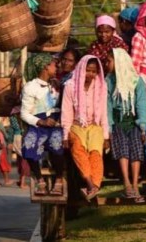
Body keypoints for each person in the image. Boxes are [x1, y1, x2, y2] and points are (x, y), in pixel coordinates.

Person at [61, 55, 109, 201]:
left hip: (95, 126)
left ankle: (94, 185)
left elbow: (103, 112)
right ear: (81, 69)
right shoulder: (70, 86)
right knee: (78, 148)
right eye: (88, 70)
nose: (91, 74)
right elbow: (67, 112)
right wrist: (65, 136)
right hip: (77, 125)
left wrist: (106, 136)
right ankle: (90, 184)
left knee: (96, 152)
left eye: (94, 71)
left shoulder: (101, 86)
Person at [105, 48, 146, 203]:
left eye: (110, 61)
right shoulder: (108, 81)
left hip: (133, 122)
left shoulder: (137, 81)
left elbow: (141, 104)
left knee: (136, 146)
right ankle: (127, 183)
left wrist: (142, 126)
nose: (107, 64)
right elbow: (107, 106)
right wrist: (109, 127)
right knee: (122, 146)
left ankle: (135, 184)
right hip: (117, 122)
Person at [21, 53, 65, 196]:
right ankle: (40, 180)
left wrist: (56, 120)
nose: (56, 67)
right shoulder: (30, 87)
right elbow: (24, 114)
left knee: (57, 143)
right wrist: (41, 122)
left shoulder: (58, 84)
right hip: (39, 124)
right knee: (28, 144)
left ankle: (59, 179)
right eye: (53, 64)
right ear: (45, 67)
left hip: (56, 122)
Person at [10, 106, 30, 189]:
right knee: (25, 161)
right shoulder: (24, 116)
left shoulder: (12, 116)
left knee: (19, 160)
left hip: (16, 137)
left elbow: (12, 129)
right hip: (23, 136)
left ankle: (20, 179)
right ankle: (23, 182)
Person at [0, 117, 13, 186]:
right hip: (0, 140)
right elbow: (2, 129)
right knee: (3, 161)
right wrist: (7, 137)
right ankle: (6, 180)